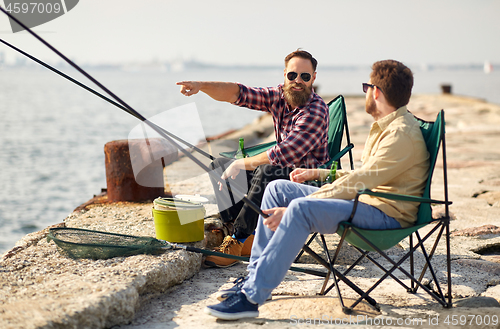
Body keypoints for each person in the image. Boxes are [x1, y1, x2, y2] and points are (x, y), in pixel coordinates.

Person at [204, 59, 430, 320]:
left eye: (367, 87)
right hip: (366, 200)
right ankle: (254, 278)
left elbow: (361, 182)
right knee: (278, 189)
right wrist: (321, 173)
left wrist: (292, 211)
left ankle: (252, 297)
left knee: (298, 208)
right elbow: (366, 175)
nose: (367, 92)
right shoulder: (388, 125)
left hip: (384, 213)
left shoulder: (399, 134)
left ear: (376, 92)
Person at [177, 50, 330, 267]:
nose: (297, 81)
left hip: (304, 182)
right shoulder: (279, 96)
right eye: (292, 76)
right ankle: (238, 237)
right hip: (277, 176)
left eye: (305, 77)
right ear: (284, 75)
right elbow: (237, 93)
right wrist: (201, 85)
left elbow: (286, 153)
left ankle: (238, 237)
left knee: (266, 170)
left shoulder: (315, 111)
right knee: (219, 166)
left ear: (313, 78)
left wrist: (240, 163)